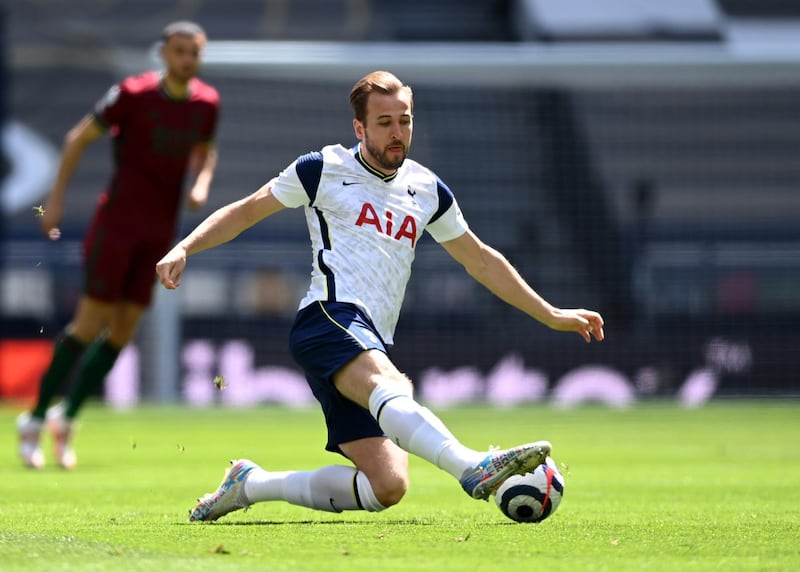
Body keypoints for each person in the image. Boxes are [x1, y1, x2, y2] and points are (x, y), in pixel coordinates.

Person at [155, 70, 604, 521]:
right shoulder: (322, 168)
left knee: (386, 487)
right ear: (360, 128)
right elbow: (246, 211)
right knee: (392, 386)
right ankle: (473, 466)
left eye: (405, 121)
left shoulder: (427, 189)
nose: (397, 133)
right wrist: (185, 246)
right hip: (327, 318)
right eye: (385, 122)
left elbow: (480, 260)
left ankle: (249, 484)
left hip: (372, 336)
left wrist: (550, 313)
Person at [16, 21, 220, 470]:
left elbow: (206, 150)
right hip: (117, 225)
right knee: (90, 324)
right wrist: (55, 201)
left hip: (157, 233)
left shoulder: (207, 104)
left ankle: (64, 418)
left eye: (195, 52)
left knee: (125, 330)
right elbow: (77, 138)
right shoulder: (132, 94)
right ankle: (31, 421)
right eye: (180, 50)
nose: (188, 59)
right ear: (164, 53)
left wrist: (201, 182)